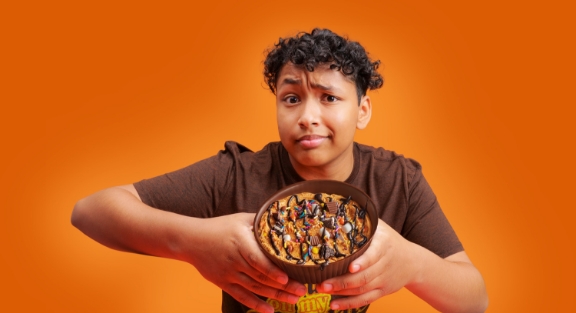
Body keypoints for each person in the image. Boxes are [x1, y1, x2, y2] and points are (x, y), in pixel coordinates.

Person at [71, 28, 488, 313]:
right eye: (291, 98)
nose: (307, 116)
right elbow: (90, 211)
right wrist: (194, 243)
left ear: (362, 111)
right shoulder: (234, 175)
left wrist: (413, 264)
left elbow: (474, 298)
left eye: (328, 97)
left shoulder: (397, 181)